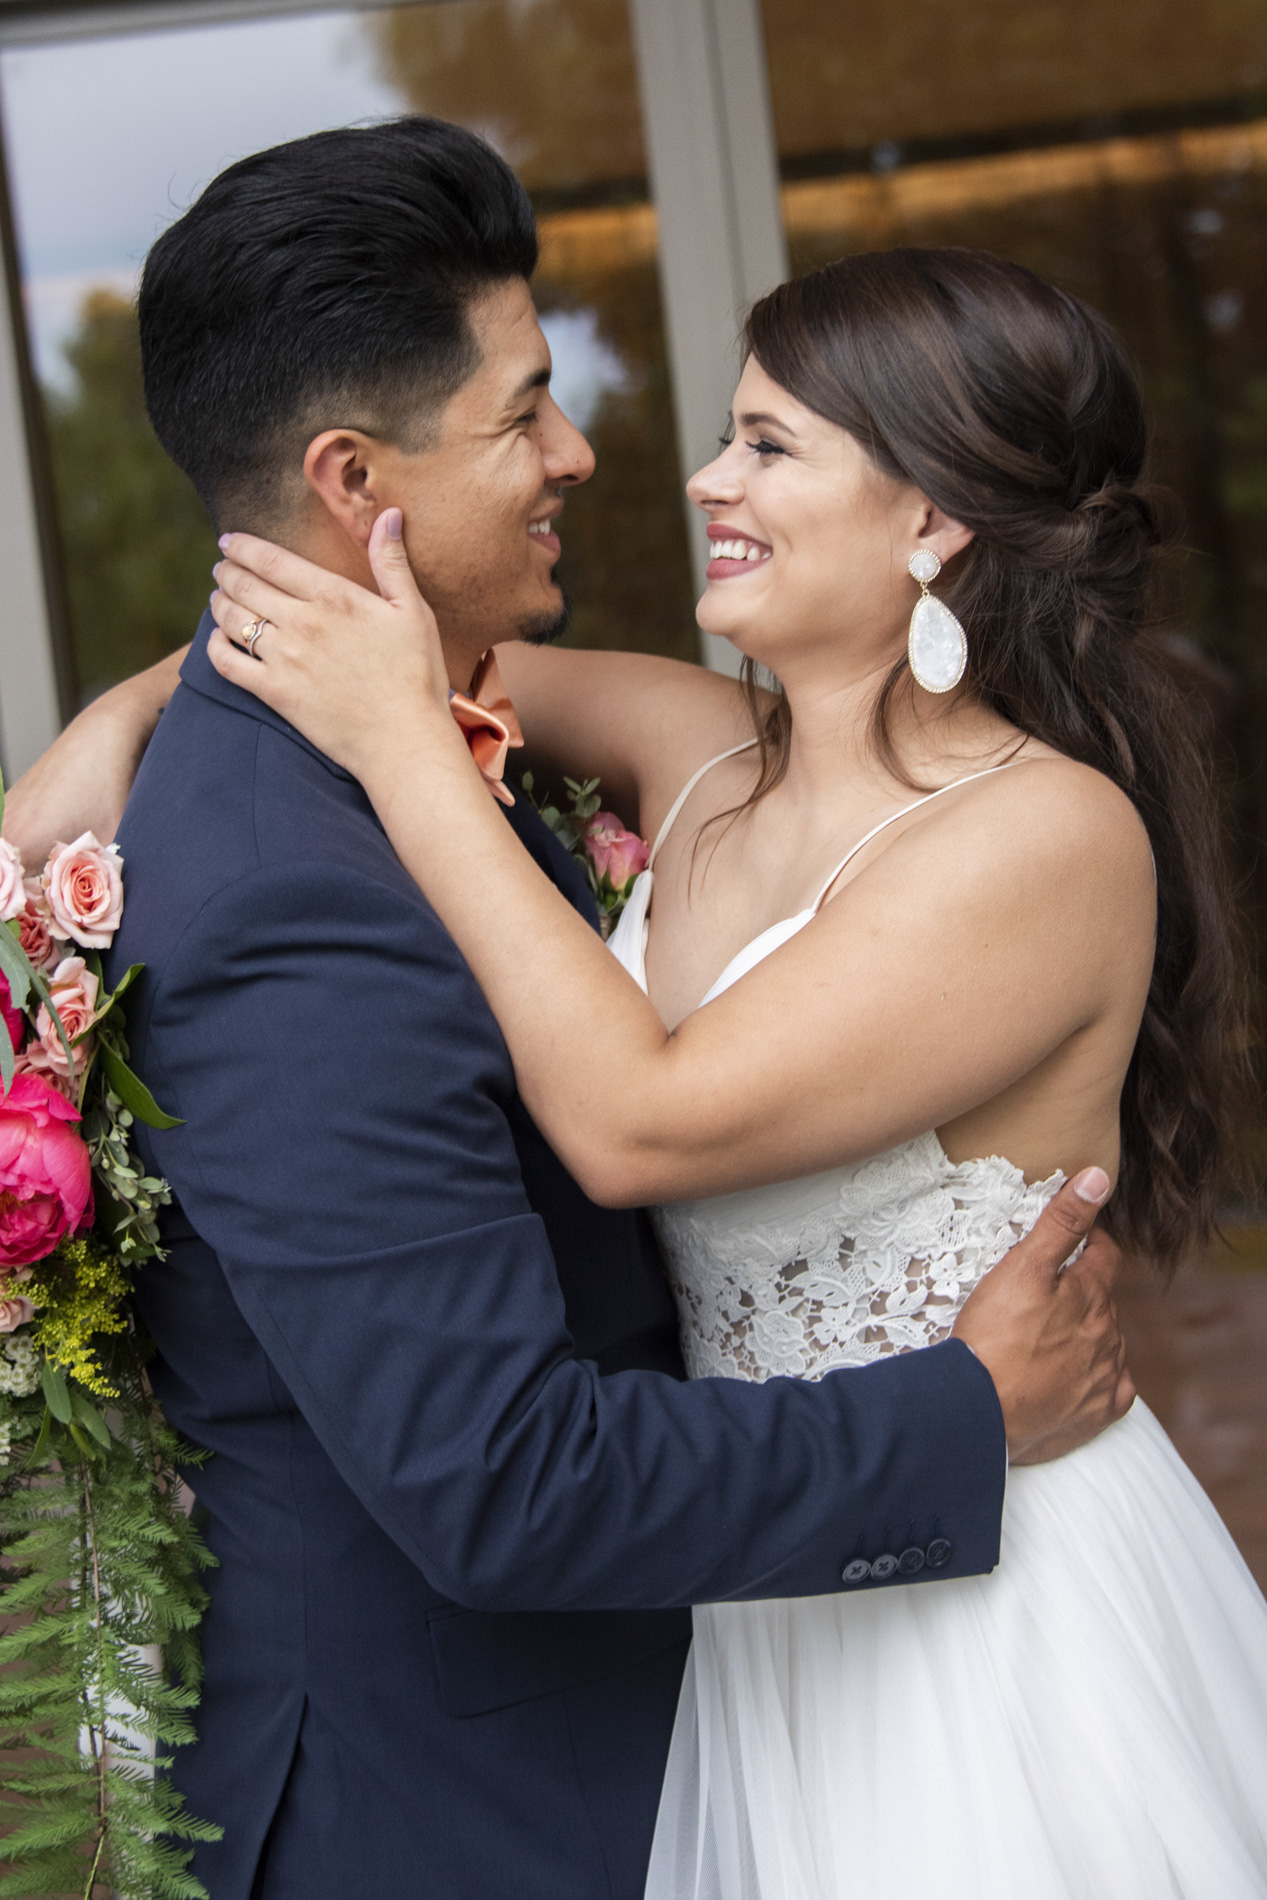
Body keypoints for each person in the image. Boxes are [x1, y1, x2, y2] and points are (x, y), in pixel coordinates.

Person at [2, 126, 1131, 1900]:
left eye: (769, 441)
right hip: (464, 1812)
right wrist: (959, 1416)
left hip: (769, 1691)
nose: (600, 457)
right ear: (355, 480)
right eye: (526, 412)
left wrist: (145, 708)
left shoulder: (431, 739)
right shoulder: (298, 879)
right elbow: (503, 1474)